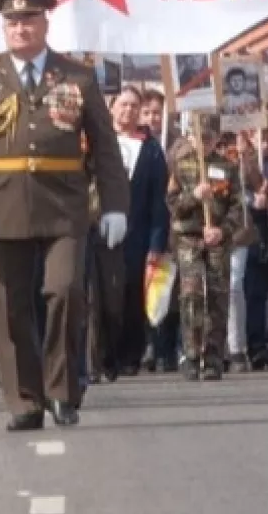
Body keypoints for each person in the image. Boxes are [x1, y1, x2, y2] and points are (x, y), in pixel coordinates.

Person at [0, 0, 129, 431]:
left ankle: (62, 392)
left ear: (45, 21)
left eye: (27, 19)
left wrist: (116, 203)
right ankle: (24, 398)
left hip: (64, 204)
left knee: (64, 291)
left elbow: (104, 145)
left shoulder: (76, 76)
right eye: (11, 20)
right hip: (2, 206)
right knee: (10, 303)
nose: (19, 27)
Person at [167, 121, 244, 380]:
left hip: (217, 240)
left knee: (218, 296)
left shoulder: (227, 168)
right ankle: (191, 352)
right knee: (191, 294)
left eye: (210, 136)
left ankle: (213, 356)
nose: (204, 141)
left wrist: (222, 230)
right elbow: (171, 204)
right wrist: (193, 197)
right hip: (189, 237)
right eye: (200, 136)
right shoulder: (180, 166)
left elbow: (237, 207)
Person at [105, 86, 169, 377]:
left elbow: (159, 200)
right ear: (112, 107)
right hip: (102, 231)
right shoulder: (98, 140)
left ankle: (130, 355)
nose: (128, 111)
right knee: (105, 295)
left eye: (134, 106)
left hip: (138, 234)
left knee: (132, 296)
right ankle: (104, 354)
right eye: (123, 105)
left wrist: (156, 243)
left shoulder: (151, 147)